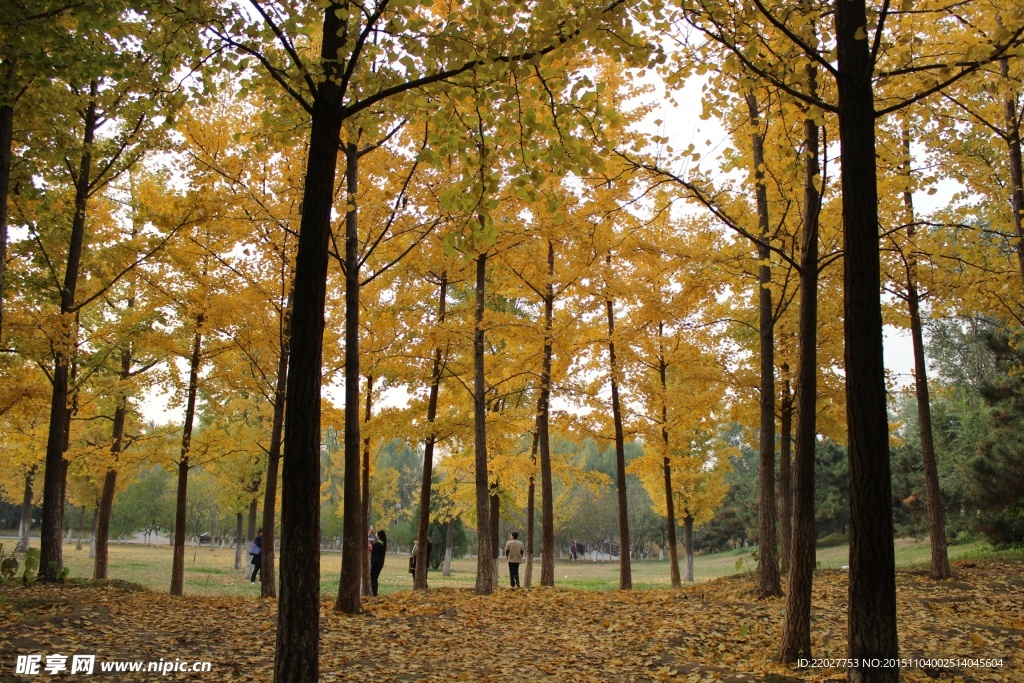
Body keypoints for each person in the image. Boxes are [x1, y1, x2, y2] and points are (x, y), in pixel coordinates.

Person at [369, 530, 387, 597]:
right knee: (375, 578)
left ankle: (374, 593)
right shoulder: (383, 543)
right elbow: (377, 540)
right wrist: (373, 534)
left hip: (375, 564)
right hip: (380, 564)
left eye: (377, 535)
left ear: (379, 536)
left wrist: (368, 534)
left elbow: (371, 542)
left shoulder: (378, 545)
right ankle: (375, 592)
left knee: (373, 578)